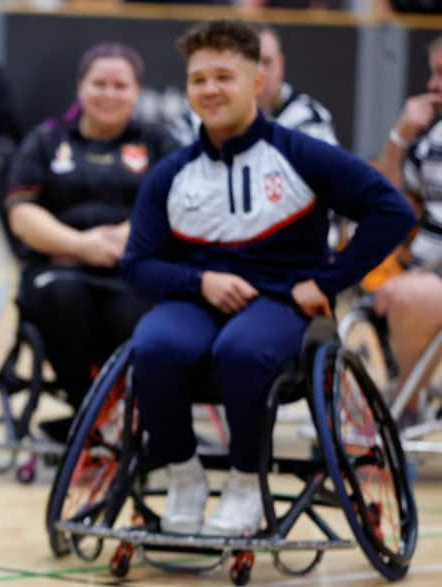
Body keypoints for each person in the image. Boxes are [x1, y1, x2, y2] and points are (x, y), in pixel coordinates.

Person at [123, 20, 414, 537]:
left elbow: (390, 211)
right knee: (154, 344)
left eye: (224, 77)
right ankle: (184, 476)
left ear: (257, 82)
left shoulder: (300, 154)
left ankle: (242, 483)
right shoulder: (171, 174)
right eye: (198, 79)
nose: (210, 89)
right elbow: (138, 265)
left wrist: (328, 282)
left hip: (282, 302)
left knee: (242, 350)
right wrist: (201, 282)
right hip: (199, 298)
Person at [5, 43, 178, 438]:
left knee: (134, 311)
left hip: (131, 270)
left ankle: (110, 412)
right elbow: (22, 214)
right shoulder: (46, 141)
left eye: (121, 85)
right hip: (57, 269)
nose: (109, 93)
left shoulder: (159, 143)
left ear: (137, 92)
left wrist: (121, 239)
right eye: (99, 83)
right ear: (81, 88)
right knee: (64, 299)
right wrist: (82, 245)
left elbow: (173, 209)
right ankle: (90, 413)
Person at [371, 34, 442, 419]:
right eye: (432, 75)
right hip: (420, 272)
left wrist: (412, 284)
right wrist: (399, 138)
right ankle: (399, 405)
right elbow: (386, 202)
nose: (432, 86)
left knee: (408, 298)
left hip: (426, 283)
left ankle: (403, 409)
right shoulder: (433, 138)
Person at [171, 24, 338, 148]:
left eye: (266, 62)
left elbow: (336, 182)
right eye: (252, 63)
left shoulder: (307, 117)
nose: (260, 72)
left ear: (280, 65)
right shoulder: (200, 117)